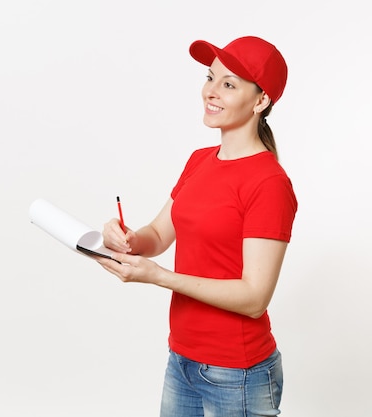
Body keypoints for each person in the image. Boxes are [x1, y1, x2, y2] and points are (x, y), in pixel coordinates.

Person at [96, 36, 298, 417]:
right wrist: (128, 239)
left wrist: (160, 277)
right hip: (182, 359)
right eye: (210, 77)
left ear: (260, 101)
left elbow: (255, 299)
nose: (211, 91)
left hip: (237, 373)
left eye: (228, 84)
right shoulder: (199, 160)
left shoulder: (269, 183)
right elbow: (157, 234)